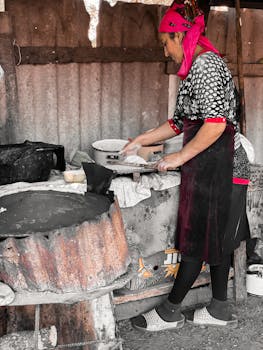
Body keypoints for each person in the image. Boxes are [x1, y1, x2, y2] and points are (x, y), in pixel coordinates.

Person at [121, 0, 250, 331]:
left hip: (223, 167)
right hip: (209, 164)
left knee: (198, 237)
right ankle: (219, 308)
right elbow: (179, 123)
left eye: (165, 42)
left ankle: (170, 311)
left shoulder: (206, 66)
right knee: (216, 238)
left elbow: (215, 124)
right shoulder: (196, 67)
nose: (165, 51)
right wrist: (141, 139)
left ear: (180, 37)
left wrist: (177, 157)